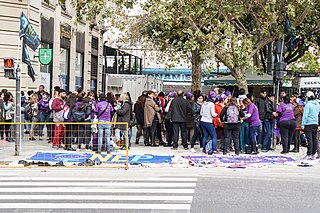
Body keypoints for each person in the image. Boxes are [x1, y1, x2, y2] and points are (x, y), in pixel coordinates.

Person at [302, 91, 320, 159]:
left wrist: (303, 125)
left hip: (308, 123)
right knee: (314, 139)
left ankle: (309, 153)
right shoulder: (317, 104)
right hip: (315, 123)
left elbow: (305, 116)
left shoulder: (308, 105)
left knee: (309, 139)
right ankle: (314, 153)